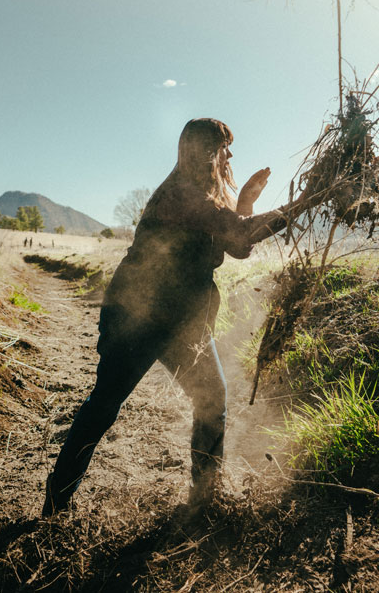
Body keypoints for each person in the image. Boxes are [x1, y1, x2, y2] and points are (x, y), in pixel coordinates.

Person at [43, 118, 314, 516]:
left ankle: (205, 497)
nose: (231, 155)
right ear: (206, 151)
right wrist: (306, 200)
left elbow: (236, 243)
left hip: (183, 322)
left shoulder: (202, 198)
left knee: (212, 399)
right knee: (105, 404)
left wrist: (247, 202)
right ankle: (56, 502)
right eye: (225, 146)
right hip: (138, 314)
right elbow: (240, 233)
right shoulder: (181, 194)